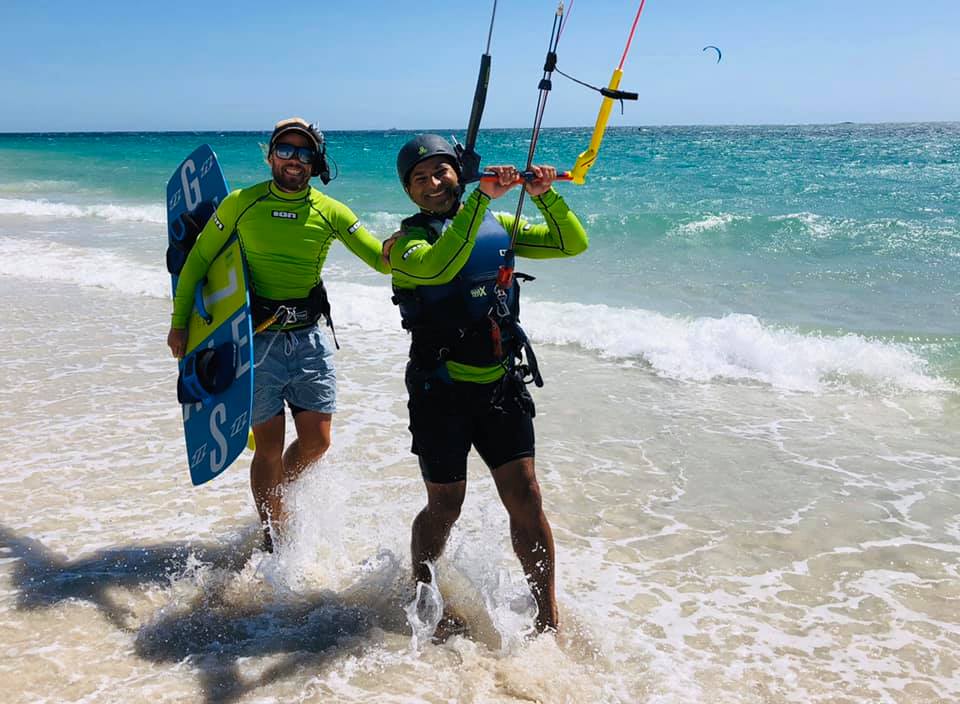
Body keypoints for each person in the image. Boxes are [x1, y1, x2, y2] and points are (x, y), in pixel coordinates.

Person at [384, 134, 588, 633]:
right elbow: (441, 264)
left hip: (500, 385)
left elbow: (571, 243)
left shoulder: (498, 225)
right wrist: (479, 199)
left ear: (459, 172)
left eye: (441, 171)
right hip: (440, 390)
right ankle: (422, 595)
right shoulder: (407, 245)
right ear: (409, 191)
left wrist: (544, 195)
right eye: (420, 178)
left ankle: (548, 619)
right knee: (445, 505)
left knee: (527, 497)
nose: (433, 183)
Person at [167, 117, 390, 550]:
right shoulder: (241, 203)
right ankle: (274, 534)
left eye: (304, 153)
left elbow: (381, 261)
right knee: (268, 447)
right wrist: (180, 323)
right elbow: (197, 261)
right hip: (256, 340)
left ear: (315, 163)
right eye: (285, 150)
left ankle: (277, 494)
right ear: (270, 156)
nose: (294, 159)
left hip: (309, 340)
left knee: (317, 442)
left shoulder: (331, 212)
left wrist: (410, 241)